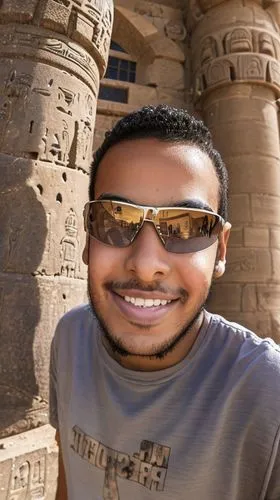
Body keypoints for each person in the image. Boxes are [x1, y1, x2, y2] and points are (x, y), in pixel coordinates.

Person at [49, 105, 280, 500]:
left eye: (187, 226)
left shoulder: (266, 395)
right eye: (115, 220)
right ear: (88, 238)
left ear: (220, 250)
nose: (145, 265)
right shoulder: (71, 338)